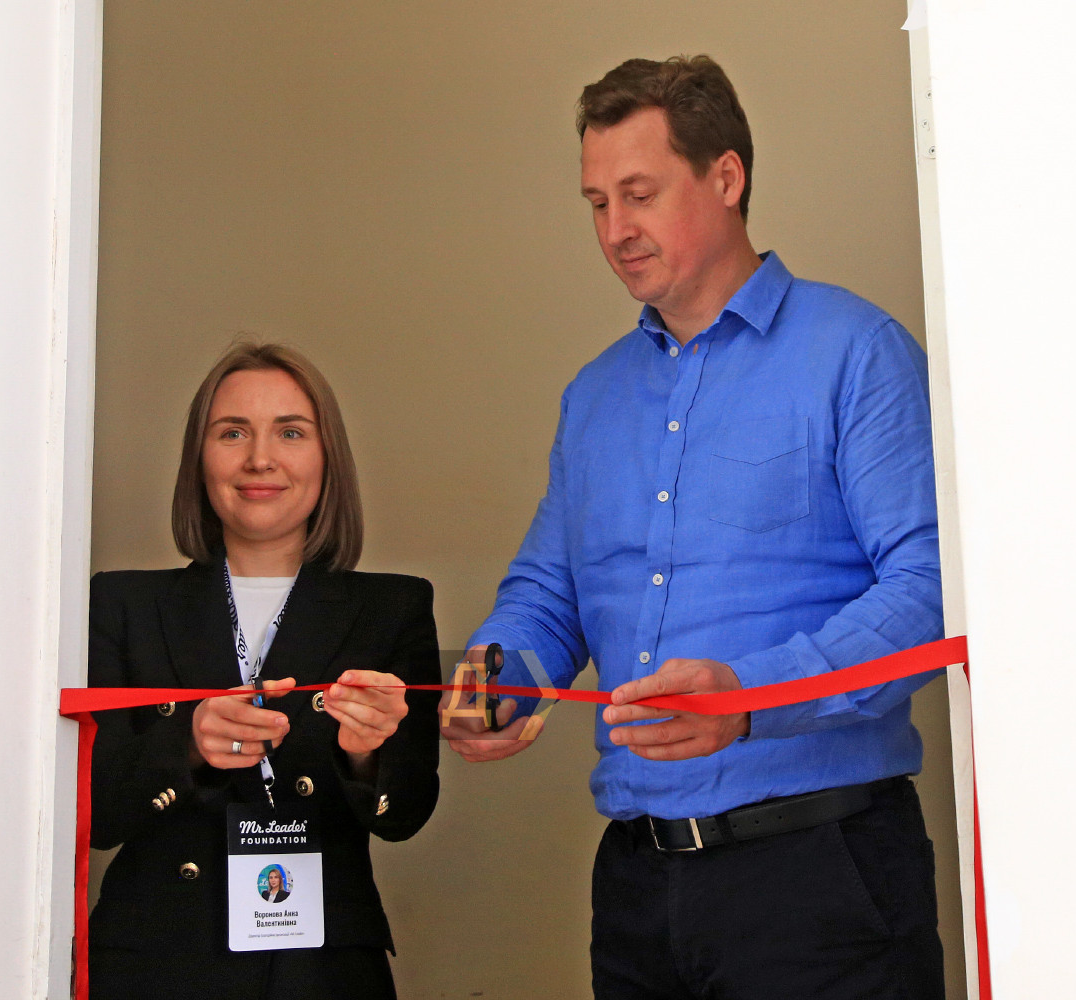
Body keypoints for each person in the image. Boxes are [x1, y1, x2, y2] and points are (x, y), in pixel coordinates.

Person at [441, 56, 945, 999]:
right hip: (639, 889)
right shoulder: (593, 398)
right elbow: (549, 599)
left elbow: (931, 595)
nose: (615, 231)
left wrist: (748, 697)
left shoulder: (856, 354)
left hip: (821, 876)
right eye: (597, 204)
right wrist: (493, 682)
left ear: (726, 177)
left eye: (640, 194)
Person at [89, 341, 440, 1000]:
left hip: (323, 971)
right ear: (198, 458)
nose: (259, 458)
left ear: (328, 457)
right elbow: (93, 817)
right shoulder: (121, 604)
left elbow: (406, 814)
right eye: (232, 432)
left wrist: (365, 753)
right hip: (156, 964)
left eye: (290, 432)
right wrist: (187, 744)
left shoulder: (393, 608)